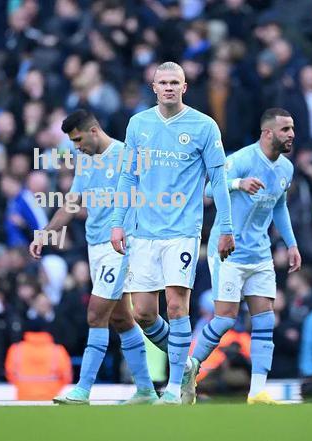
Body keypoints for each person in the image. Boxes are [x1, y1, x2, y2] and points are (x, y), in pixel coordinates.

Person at [110, 61, 235, 405]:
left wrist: (225, 227)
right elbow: (128, 177)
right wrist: (119, 221)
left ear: (185, 87)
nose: (168, 87)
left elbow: (219, 180)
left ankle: (173, 388)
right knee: (144, 314)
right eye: (162, 82)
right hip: (143, 231)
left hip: (182, 231)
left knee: (177, 307)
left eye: (174, 82)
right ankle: (189, 365)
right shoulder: (139, 124)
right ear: (153, 87)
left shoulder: (203, 126)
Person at [29, 109, 157, 405]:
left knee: (95, 314)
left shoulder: (127, 155)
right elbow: (72, 202)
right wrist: (46, 233)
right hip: (95, 246)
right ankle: (147, 391)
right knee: (122, 319)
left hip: (121, 245)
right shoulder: (85, 161)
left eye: (78, 140)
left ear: (94, 131)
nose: (76, 147)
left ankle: (83, 390)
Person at [188, 108, 302, 405]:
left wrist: (291, 244)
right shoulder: (241, 160)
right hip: (229, 251)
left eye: (292, 129)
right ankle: (190, 367)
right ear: (268, 133)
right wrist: (239, 183)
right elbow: (209, 187)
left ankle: (257, 392)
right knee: (225, 319)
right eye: (285, 129)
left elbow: (279, 206)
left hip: (260, 253)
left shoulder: (286, 169)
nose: (291, 134)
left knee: (264, 319)